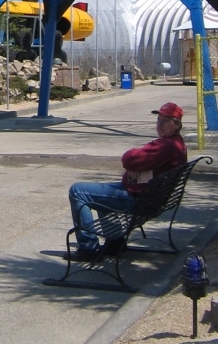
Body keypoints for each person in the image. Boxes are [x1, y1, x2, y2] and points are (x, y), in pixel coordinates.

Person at [68, 102, 187, 256]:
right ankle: (115, 242)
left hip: (139, 201)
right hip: (151, 198)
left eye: (166, 121)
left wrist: (135, 151)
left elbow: (128, 160)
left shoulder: (165, 146)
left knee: (77, 191)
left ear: (176, 124)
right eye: (159, 120)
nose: (160, 125)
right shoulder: (178, 144)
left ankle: (87, 247)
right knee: (99, 192)